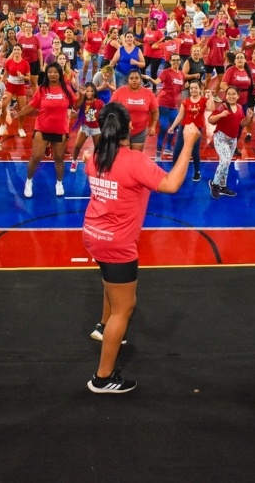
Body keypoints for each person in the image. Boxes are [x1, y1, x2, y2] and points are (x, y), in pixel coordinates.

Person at [83, 101, 201, 394]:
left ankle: (102, 326)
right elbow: (171, 184)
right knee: (126, 307)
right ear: (131, 129)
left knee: (111, 285)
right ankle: (102, 378)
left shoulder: (96, 156)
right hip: (117, 243)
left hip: (93, 233)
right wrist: (188, 144)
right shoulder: (134, 161)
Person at [14, 62, 80, 198]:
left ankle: (59, 183)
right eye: (50, 72)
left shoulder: (66, 88)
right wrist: (19, 113)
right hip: (42, 128)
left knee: (59, 158)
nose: (52, 74)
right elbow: (32, 105)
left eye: (55, 72)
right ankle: (29, 182)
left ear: (59, 73)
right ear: (47, 74)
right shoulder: (42, 89)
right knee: (36, 157)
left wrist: (83, 95)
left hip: (60, 130)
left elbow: (76, 104)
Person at [206, 86, 254, 198]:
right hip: (221, 137)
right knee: (225, 161)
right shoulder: (223, 107)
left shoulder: (239, 107)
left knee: (226, 163)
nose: (231, 96)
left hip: (232, 140)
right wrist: (220, 115)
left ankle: (223, 187)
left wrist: (249, 117)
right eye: (229, 94)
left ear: (238, 96)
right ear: (226, 96)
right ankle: (214, 184)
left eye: (234, 94)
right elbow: (210, 120)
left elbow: (242, 123)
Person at [147, 52, 184, 159]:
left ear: (180, 61)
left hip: (173, 105)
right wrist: (148, 78)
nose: (176, 62)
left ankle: (168, 147)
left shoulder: (181, 74)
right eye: (174, 60)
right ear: (170, 61)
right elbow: (156, 81)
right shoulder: (166, 72)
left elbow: (181, 88)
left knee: (175, 125)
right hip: (163, 104)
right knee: (163, 127)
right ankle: (158, 152)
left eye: (178, 60)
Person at [70, 82, 104, 172]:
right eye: (87, 91)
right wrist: (73, 115)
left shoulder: (99, 103)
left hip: (96, 129)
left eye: (91, 91)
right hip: (85, 127)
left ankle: (97, 164)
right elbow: (75, 114)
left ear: (94, 92)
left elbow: (104, 114)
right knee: (77, 146)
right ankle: (74, 161)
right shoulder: (82, 102)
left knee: (98, 149)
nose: (89, 93)